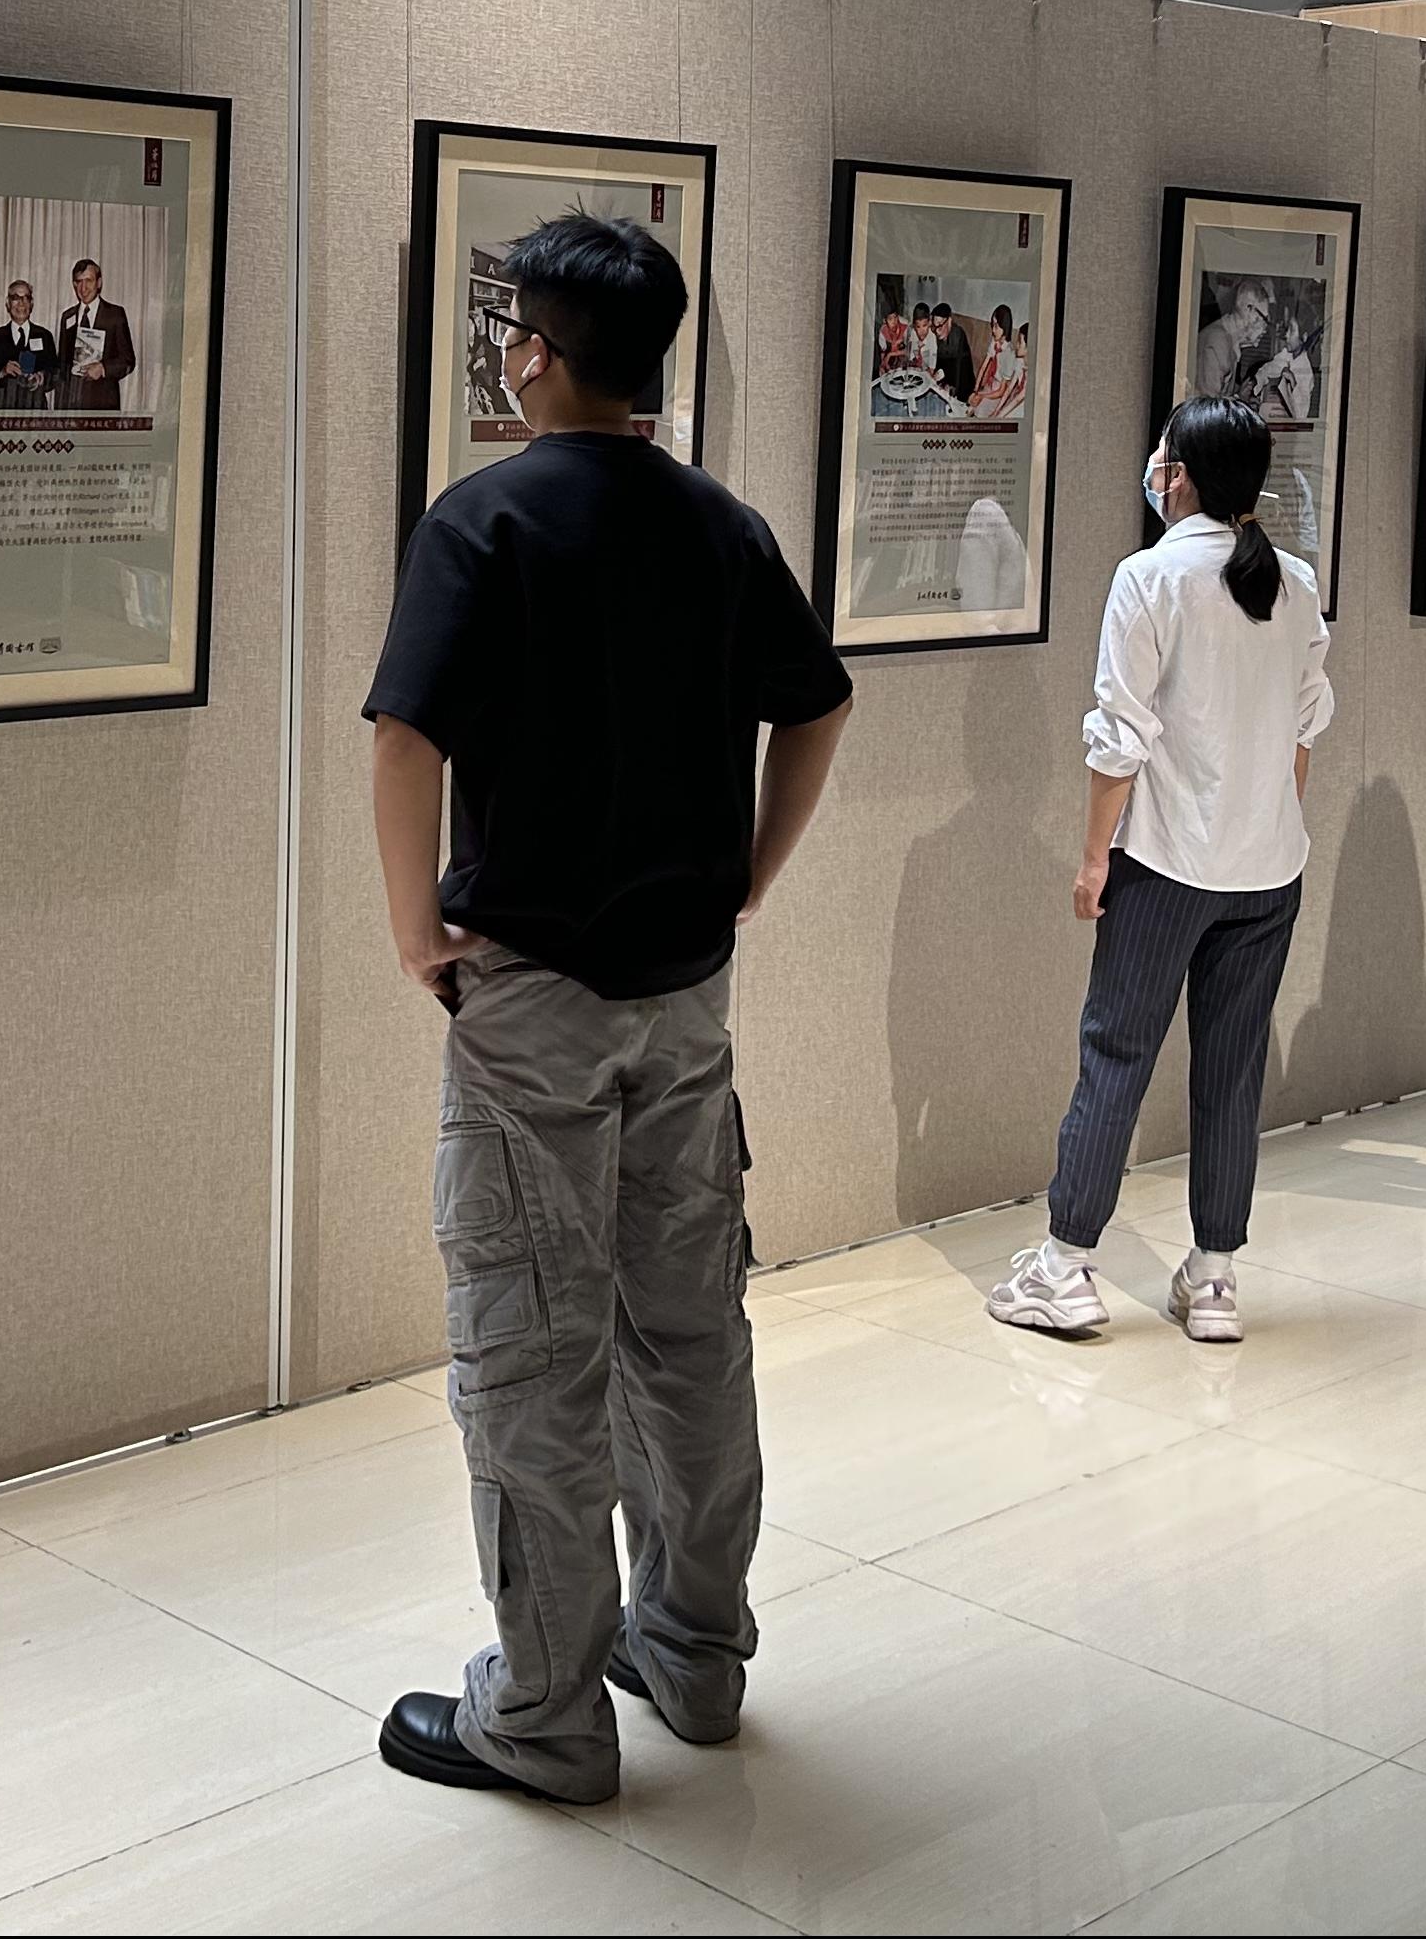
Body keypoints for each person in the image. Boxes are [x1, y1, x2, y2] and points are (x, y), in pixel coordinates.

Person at [362, 211, 851, 1807]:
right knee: (689, 1333)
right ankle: (693, 1658)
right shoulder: (720, 524)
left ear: (535, 358)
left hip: (531, 1004)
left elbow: (403, 741)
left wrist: (413, 929)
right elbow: (817, 705)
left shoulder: (482, 520)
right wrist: (750, 875)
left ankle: (544, 1713)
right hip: (685, 1000)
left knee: (531, 1351)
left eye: (509, 330)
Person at [989, 396, 1333, 1344]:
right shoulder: (1296, 583)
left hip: (1164, 862)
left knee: (1116, 1053)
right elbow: (1305, 730)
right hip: (1268, 868)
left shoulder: (1148, 578)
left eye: (1163, 459)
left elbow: (1118, 737)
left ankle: (1065, 1265)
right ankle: (1214, 1277)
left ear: (1178, 475)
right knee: (1232, 1069)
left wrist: (1091, 859)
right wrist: (1268, 825)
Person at [55, 257, 135, 412]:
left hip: (103, 403)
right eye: (79, 281)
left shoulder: (115, 314)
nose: (83, 287)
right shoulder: (67, 317)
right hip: (72, 406)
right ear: (74, 284)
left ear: (99, 283)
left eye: (88, 281)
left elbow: (128, 361)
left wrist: (103, 369)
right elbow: (62, 364)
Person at [0, 277, 57, 409]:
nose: (21, 303)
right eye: (16, 298)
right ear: (8, 303)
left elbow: (55, 374)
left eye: (26, 298)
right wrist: (2, 371)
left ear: (31, 303)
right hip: (2, 409)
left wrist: (42, 378)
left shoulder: (45, 336)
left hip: (35, 408)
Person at [930, 299, 978, 410]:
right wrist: (937, 375)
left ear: (949, 321)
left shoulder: (958, 335)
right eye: (935, 326)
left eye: (940, 326)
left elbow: (961, 369)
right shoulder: (941, 335)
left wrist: (951, 389)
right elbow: (940, 361)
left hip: (963, 384)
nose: (937, 331)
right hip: (948, 382)